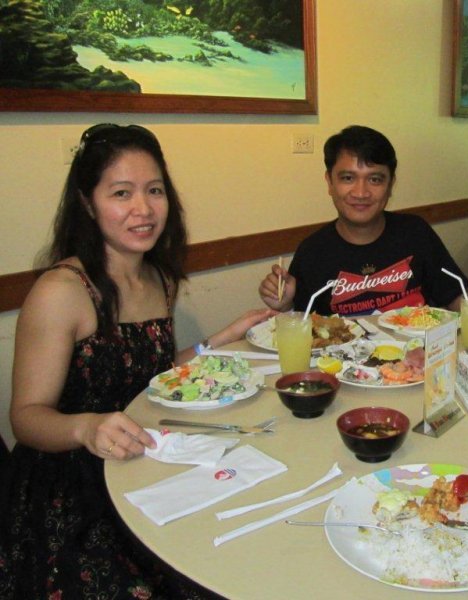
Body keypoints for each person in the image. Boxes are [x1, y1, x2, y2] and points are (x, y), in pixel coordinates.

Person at [0, 124, 273, 599]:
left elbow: (151, 375)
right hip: (72, 479)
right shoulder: (61, 291)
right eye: (121, 193)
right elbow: (25, 417)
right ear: (88, 204)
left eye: (155, 191)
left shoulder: (158, 277)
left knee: (242, 532)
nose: (143, 209)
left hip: (146, 452)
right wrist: (86, 428)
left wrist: (219, 340)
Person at [259, 125, 467, 316]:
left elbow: (458, 298)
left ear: (390, 185)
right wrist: (286, 306)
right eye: (348, 178)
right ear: (330, 182)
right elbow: (301, 327)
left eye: (375, 179)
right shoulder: (312, 252)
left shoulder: (415, 232)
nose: (361, 193)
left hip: (418, 344)